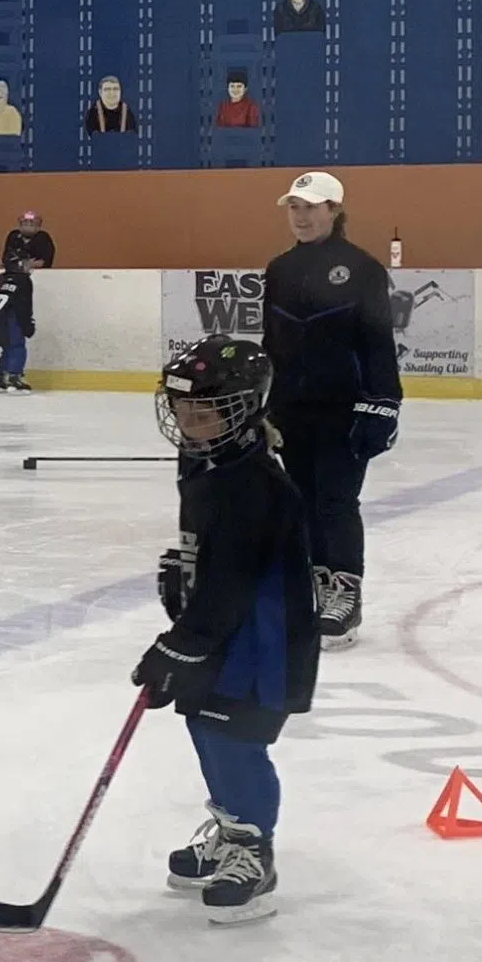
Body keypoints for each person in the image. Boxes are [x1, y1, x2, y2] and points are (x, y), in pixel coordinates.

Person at [142, 334, 322, 925]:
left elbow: (236, 580)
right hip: (225, 629)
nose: (190, 422)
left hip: (262, 643)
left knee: (235, 737)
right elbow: (215, 564)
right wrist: (186, 575)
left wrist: (183, 643)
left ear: (245, 409)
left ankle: (255, 851)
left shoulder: (254, 483)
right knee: (203, 723)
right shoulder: (207, 458)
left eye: (205, 411)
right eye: (182, 409)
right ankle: (229, 828)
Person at [260, 170, 398, 642]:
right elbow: (271, 342)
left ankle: (346, 590)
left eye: (310, 207)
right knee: (301, 502)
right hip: (292, 408)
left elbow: (379, 343)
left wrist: (383, 404)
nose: (300, 216)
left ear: (334, 211)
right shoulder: (279, 269)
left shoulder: (362, 269)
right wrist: (263, 404)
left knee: (337, 501)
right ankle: (317, 584)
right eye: (294, 208)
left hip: (345, 409)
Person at [0, 259, 37, 390]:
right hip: (13, 319)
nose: (27, 267)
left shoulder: (1, 279)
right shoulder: (24, 281)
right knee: (17, 347)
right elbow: (24, 305)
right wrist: (27, 323)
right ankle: (14, 377)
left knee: (7, 348)